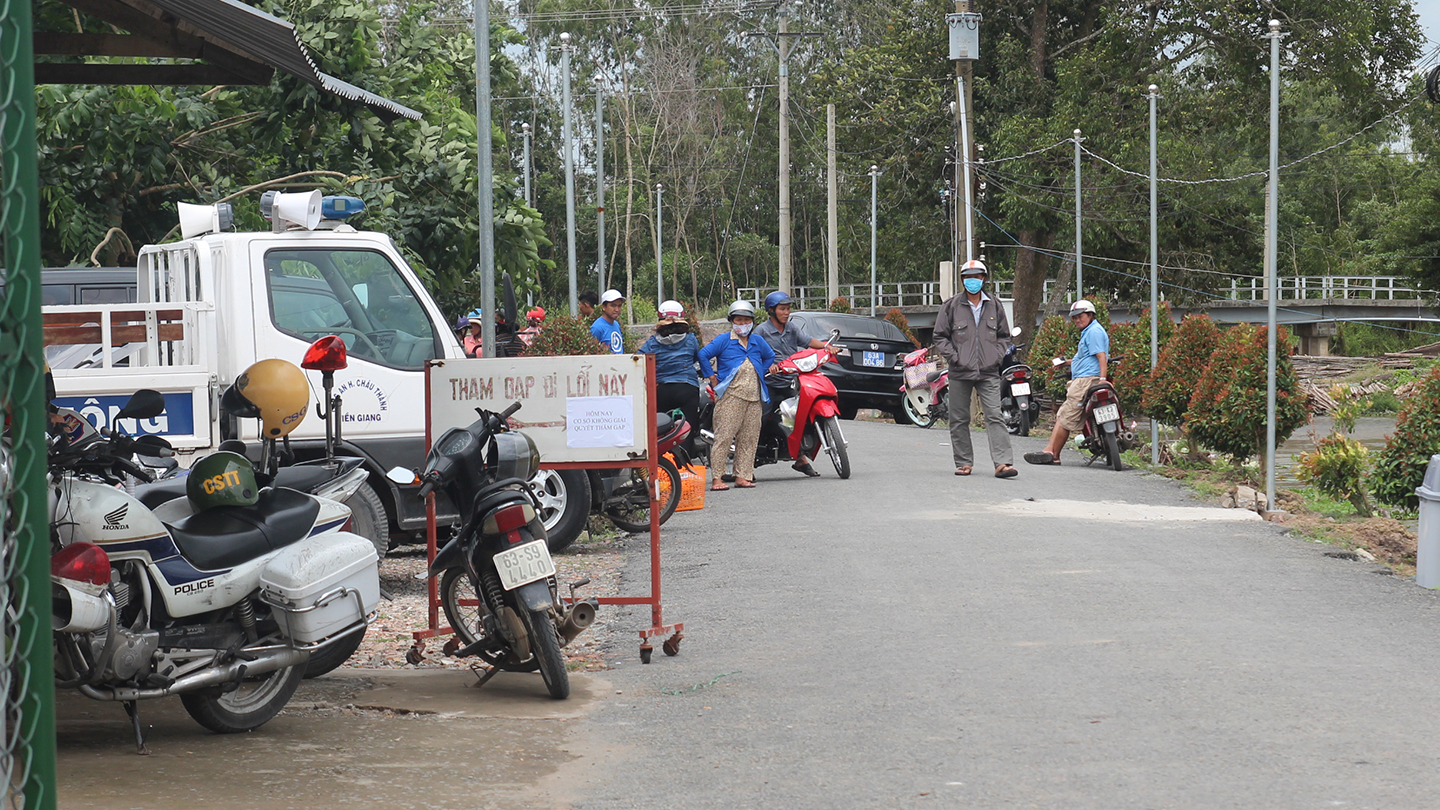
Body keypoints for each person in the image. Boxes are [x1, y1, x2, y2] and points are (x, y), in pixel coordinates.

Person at [933, 260, 1017, 478]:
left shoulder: (995, 305)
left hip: (988, 372)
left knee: (994, 415)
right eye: (968, 277)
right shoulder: (951, 306)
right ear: (962, 280)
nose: (973, 281)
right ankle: (963, 462)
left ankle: (1003, 463)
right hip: (960, 372)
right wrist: (955, 357)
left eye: (977, 277)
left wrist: (996, 357)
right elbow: (940, 336)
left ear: (984, 279)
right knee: (958, 418)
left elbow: (1004, 336)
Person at [698, 300, 777, 490]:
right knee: (724, 437)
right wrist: (712, 377)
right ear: (732, 321)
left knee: (749, 438)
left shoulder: (757, 341)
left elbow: (770, 356)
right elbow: (703, 355)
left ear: (752, 322)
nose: (742, 324)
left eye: (746, 320)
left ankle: (743, 475)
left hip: (754, 397)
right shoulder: (724, 340)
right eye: (739, 320)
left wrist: (761, 370)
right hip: (731, 396)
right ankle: (717, 478)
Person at [755, 290, 831, 477]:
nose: (786, 312)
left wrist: (827, 347)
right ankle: (747, 462)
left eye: (788, 309)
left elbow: (808, 341)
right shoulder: (761, 331)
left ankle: (800, 458)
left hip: (790, 382)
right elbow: (753, 353)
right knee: (759, 420)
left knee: (799, 418)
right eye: (782, 309)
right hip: (769, 384)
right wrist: (769, 365)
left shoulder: (791, 328)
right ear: (771, 310)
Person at [1025, 299, 1109, 466]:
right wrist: (1067, 363)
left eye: (1081, 316)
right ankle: (1051, 451)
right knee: (1063, 414)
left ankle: (1051, 453)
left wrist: (1102, 380)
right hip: (1086, 377)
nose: (1078, 320)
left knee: (1066, 415)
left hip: (1086, 381)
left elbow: (1101, 357)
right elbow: (1088, 357)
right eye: (1075, 317)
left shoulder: (1093, 332)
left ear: (1091, 315)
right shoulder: (1090, 331)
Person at [637, 300, 701, 458]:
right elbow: (696, 357)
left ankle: (664, 461)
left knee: (662, 429)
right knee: (687, 427)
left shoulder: (652, 343)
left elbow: (638, 360)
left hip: (662, 390)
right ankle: (685, 463)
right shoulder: (690, 339)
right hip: (687, 388)